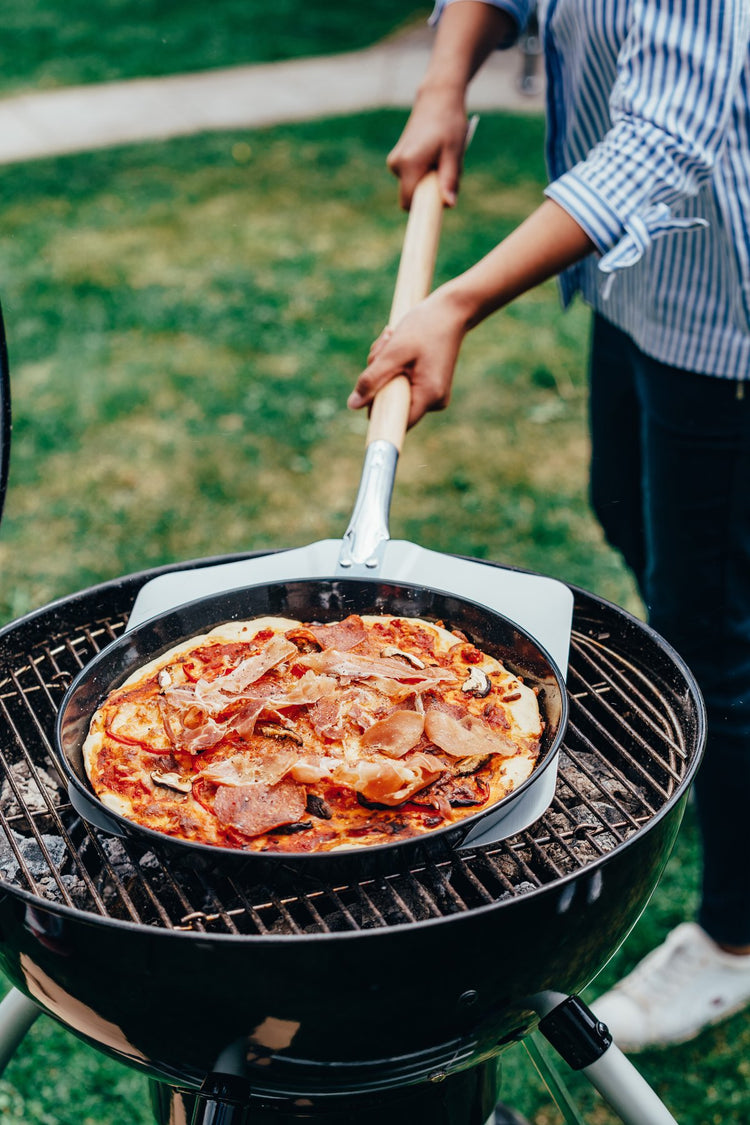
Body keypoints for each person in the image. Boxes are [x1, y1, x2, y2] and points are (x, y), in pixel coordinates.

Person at [348, 0, 750, 1052]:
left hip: (729, 306)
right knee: (633, 514)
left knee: (707, 631)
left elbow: (666, 137)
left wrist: (458, 302)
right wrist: (444, 83)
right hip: (641, 284)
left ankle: (735, 942)